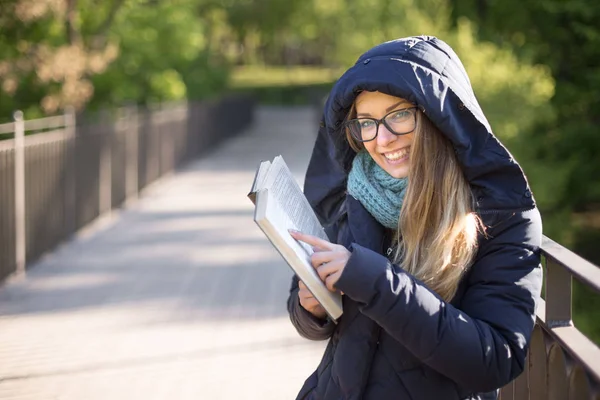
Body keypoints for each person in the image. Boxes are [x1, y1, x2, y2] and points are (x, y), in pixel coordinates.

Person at [286, 36, 543, 400]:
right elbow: (317, 323)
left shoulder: (501, 216)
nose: (383, 139)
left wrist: (372, 279)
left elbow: (496, 358)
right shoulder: (358, 193)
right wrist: (310, 308)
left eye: (399, 115)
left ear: (440, 115)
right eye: (367, 123)